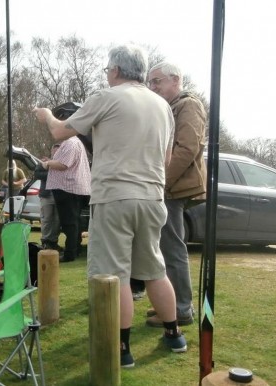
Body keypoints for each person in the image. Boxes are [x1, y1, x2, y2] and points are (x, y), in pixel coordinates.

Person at [33, 44, 187, 368]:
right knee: (155, 270)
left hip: (115, 197)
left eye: (107, 69)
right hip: (153, 197)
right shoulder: (163, 107)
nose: (107, 74)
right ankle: (174, 335)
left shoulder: (106, 97)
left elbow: (61, 131)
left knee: (115, 275)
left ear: (115, 70)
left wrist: (46, 115)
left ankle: (122, 349)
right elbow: (168, 159)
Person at [144, 61, 207, 327]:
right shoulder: (170, 107)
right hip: (168, 186)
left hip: (172, 188)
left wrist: (161, 182)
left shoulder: (188, 105)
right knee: (165, 248)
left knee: (172, 249)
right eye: (151, 82)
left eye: (157, 81)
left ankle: (181, 309)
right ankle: (170, 304)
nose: (153, 86)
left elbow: (186, 149)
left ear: (176, 80)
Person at [42, 136, 91, 262]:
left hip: (68, 188)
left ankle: (70, 253)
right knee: (73, 222)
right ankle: (75, 249)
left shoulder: (71, 143)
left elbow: (63, 165)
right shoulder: (74, 142)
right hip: (71, 188)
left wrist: (47, 163)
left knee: (69, 223)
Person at [35, 144, 61, 251]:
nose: (56, 153)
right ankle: (45, 241)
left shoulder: (62, 164)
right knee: (46, 219)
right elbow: (37, 174)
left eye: (58, 152)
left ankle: (53, 242)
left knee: (57, 220)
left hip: (59, 195)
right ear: (51, 152)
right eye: (54, 151)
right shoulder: (43, 163)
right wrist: (51, 172)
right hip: (46, 195)